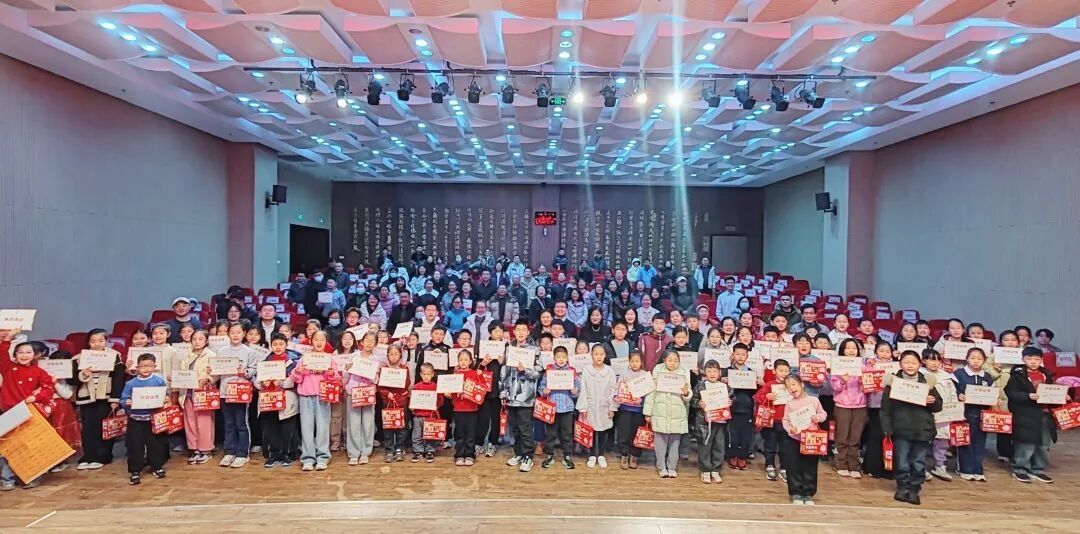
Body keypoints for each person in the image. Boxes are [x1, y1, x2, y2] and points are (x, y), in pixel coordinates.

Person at [881, 350, 943, 505]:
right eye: (906, 362)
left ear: (920, 364)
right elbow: (885, 409)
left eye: (914, 362)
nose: (910, 365)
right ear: (900, 364)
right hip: (901, 429)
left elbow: (938, 406)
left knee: (918, 461)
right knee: (901, 461)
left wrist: (932, 401)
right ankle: (902, 487)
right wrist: (887, 429)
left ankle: (914, 488)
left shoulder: (927, 382)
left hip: (922, 429)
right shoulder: (893, 383)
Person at [0, 334, 58, 490]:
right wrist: (7, 340)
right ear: (15, 355)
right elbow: (1, 354)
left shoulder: (39, 372)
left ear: (34, 355)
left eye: (28, 352)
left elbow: (48, 388)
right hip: (10, 412)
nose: (24, 355)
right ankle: (7, 478)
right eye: (20, 352)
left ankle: (32, 477)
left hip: (30, 412)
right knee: (9, 446)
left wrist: (36, 397)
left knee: (31, 445)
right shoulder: (8, 368)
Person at [74, 329, 126, 470]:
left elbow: (118, 379)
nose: (97, 344)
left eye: (100, 341)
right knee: (88, 428)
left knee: (104, 427)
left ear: (106, 341)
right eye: (93, 341)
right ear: (88, 342)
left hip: (106, 397)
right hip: (87, 397)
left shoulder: (114, 356)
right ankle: (88, 456)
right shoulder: (79, 358)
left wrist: (115, 399)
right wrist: (83, 374)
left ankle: (103, 456)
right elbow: (72, 380)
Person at [1006, 347, 1059, 483]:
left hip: (1044, 414)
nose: (1033, 362)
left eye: (1036, 359)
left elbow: (1052, 392)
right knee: (1025, 443)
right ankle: (1019, 469)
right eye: (1029, 359)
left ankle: (1037, 469)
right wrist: (1028, 396)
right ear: (1022, 359)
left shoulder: (1046, 375)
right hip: (1025, 414)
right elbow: (1011, 393)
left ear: (1041, 360)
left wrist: (1061, 396)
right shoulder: (1017, 375)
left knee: (1043, 443)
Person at [291, 341, 342, 471]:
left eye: (322, 340)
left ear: (325, 342)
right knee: (306, 428)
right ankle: (308, 458)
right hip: (306, 395)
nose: (319, 342)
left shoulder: (330, 359)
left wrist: (331, 373)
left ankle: (323, 457)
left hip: (323, 395)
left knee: (323, 427)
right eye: (316, 340)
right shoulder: (305, 358)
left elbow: (336, 378)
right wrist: (298, 371)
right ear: (311, 342)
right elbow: (296, 379)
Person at [120, 353, 169, 485]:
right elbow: (123, 399)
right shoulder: (131, 383)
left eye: (149, 366)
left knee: (156, 444)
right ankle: (135, 471)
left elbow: (165, 395)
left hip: (153, 419)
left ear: (154, 367)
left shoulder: (158, 381)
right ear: (137, 367)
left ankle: (157, 466)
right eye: (143, 366)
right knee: (135, 445)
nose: (146, 369)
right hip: (136, 419)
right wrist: (128, 402)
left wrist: (165, 399)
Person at [216, 322, 259, 468]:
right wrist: (211, 371)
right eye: (232, 332)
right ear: (228, 334)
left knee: (241, 423)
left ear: (244, 334)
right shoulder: (221, 351)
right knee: (228, 423)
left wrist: (244, 372)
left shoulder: (249, 352)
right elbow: (217, 372)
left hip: (241, 393)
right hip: (225, 391)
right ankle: (229, 451)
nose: (235, 335)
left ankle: (242, 453)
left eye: (238, 332)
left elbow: (252, 371)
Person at [780, 375, 828, 505]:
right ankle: (795, 492)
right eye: (788, 387)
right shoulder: (789, 403)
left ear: (801, 384)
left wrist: (818, 417)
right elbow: (785, 420)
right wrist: (790, 429)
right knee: (793, 465)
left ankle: (808, 493)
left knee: (810, 466)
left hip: (810, 439)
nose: (791, 388)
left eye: (793, 384)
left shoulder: (814, 400)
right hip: (794, 439)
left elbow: (823, 414)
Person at [644, 350, 692, 478]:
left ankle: (672, 467)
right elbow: (651, 393)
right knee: (660, 443)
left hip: (678, 414)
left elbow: (689, 395)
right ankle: (661, 467)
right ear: (664, 360)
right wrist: (648, 413)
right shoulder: (657, 371)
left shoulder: (684, 372)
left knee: (675, 443)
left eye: (676, 361)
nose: (672, 363)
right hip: (660, 412)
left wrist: (686, 393)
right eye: (670, 360)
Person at [256, 333, 299, 468]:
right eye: (275, 344)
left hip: (286, 399)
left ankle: (287, 454)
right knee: (270, 427)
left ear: (287, 345)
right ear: (270, 346)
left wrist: (281, 383)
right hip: (268, 399)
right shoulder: (264, 362)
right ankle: (273, 454)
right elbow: (256, 381)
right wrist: (262, 384)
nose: (278, 347)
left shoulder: (292, 363)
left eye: (281, 344)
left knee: (287, 427)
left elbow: (294, 381)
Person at [502, 327, 541, 472]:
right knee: (515, 428)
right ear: (514, 332)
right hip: (510, 396)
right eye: (518, 330)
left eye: (523, 330)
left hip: (526, 396)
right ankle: (518, 453)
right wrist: (503, 393)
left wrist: (525, 370)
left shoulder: (534, 350)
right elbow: (504, 373)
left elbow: (538, 372)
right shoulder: (508, 349)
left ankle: (528, 456)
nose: (520, 332)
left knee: (525, 429)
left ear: (528, 332)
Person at [953, 347, 994, 481]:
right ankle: (965, 469)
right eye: (973, 358)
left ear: (984, 361)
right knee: (965, 440)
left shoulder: (987, 377)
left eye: (979, 359)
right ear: (966, 359)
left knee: (980, 442)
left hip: (982, 415)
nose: (976, 361)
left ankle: (978, 469)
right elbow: (951, 390)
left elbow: (992, 393)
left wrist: (995, 399)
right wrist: (959, 395)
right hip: (964, 413)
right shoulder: (958, 374)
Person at [829, 338, 868, 478]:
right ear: (842, 350)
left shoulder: (864, 367)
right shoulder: (838, 366)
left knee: (855, 438)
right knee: (842, 436)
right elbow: (834, 387)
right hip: (842, 405)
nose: (851, 351)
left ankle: (854, 465)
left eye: (854, 348)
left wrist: (865, 381)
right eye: (848, 348)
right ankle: (841, 463)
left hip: (860, 405)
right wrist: (842, 381)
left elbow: (870, 386)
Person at [538, 346, 581, 469]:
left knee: (567, 434)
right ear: (554, 358)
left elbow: (578, 389)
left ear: (567, 358)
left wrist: (574, 391)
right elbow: (541, 387)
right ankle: (549, 455)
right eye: (558, 357)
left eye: (563, 357)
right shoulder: (549, 371)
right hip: (552, 408)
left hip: (567, 408)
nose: (561, 359)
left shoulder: (572, 372)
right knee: (550, 434)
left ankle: (567, 456)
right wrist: (544, 391)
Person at [576, 344, 617, 469]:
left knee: (603, 430)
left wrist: (612, 407)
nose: (599, 357)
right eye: (596, 354)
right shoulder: (587, 370)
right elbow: (583, 389)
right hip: (591, 405)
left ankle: (602, 455)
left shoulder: (609, 370)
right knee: (592, 430)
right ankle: (592, 454)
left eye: (601, 354)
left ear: (605, 356)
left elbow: (613, 389)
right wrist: (583, 407)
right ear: (591, 355)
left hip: (604, 406)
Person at [343, 332, 379, 465]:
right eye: (367, 340)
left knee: (368, 423)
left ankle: (365, 452)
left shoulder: (376, 359)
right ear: (362, 342)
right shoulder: (354, 356)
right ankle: (353, 453)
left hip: (368, 393)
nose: (369, 343)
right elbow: (346, 375)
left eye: (372, 341)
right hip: (353, 392)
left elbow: (376, 380)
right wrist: (347, 369)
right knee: (353, 423)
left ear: (375, 344)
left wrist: (376, 373)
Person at [754, 358, 791, 482]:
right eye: (781, 370)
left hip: (787, 421)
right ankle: (770, 465)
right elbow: (757, 397)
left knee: (785, 446)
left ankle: (784, 468)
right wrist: (767, 396)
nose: (784, 373)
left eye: (786, 371)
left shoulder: (792, 385)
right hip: (772, 421)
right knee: (770, 445)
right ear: (774, 371)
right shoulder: (769, 385)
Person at [691, 359, 728, 484]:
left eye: (715, 371)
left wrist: (730, 402)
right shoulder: (701, 385)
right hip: (704, 421)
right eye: (709, 371)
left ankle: (716, 469)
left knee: (719, 445)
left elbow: (733, 398)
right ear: (704, 372)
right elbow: (693, 400)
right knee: (704, 445)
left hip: (720, 421)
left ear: (719, 372)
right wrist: (699, 403)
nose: (712, 374)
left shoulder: (724, 386)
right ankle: (705, 470)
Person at [614, 350, 648, 470]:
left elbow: (649, 393)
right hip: (625, 409)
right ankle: (624, 455)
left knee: (637, 434)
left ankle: (634, 456)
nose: (634, 364)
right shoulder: (624, 374)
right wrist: (618, 397)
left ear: (641, 362)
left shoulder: (645, 375)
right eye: (632, 361)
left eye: (637, 361)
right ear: (629, 362)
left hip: (639, 410)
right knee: (624, 433)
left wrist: (642, 400)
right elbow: (618, 388)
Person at [378, 344, 412, 463]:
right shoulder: (383, 368)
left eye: (396, 354)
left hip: (401, 401)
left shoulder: (404, 367)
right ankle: (389, 449)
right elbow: (380, 386)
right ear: (387, 355)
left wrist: (399, 374)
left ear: (400, 355)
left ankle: (399, 448)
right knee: (388, 426)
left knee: (401, 426)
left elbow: (407, 383)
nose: (393, 356)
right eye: (391, 354)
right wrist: (387, 393)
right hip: (388, 402)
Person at [448, 349, 481, 466]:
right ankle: (459, 455)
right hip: (458, 408)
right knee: (460, 433)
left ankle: (470, 455)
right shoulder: (454, 375)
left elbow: (480, 389)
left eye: (466, 360)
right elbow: (451, 391)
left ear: (470, 361)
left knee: (471, 433)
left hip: (472, 408)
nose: (463, 362)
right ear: (457, 361)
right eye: (461, 359)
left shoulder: (474, 374)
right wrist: (448, 393)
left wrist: (480, 377)